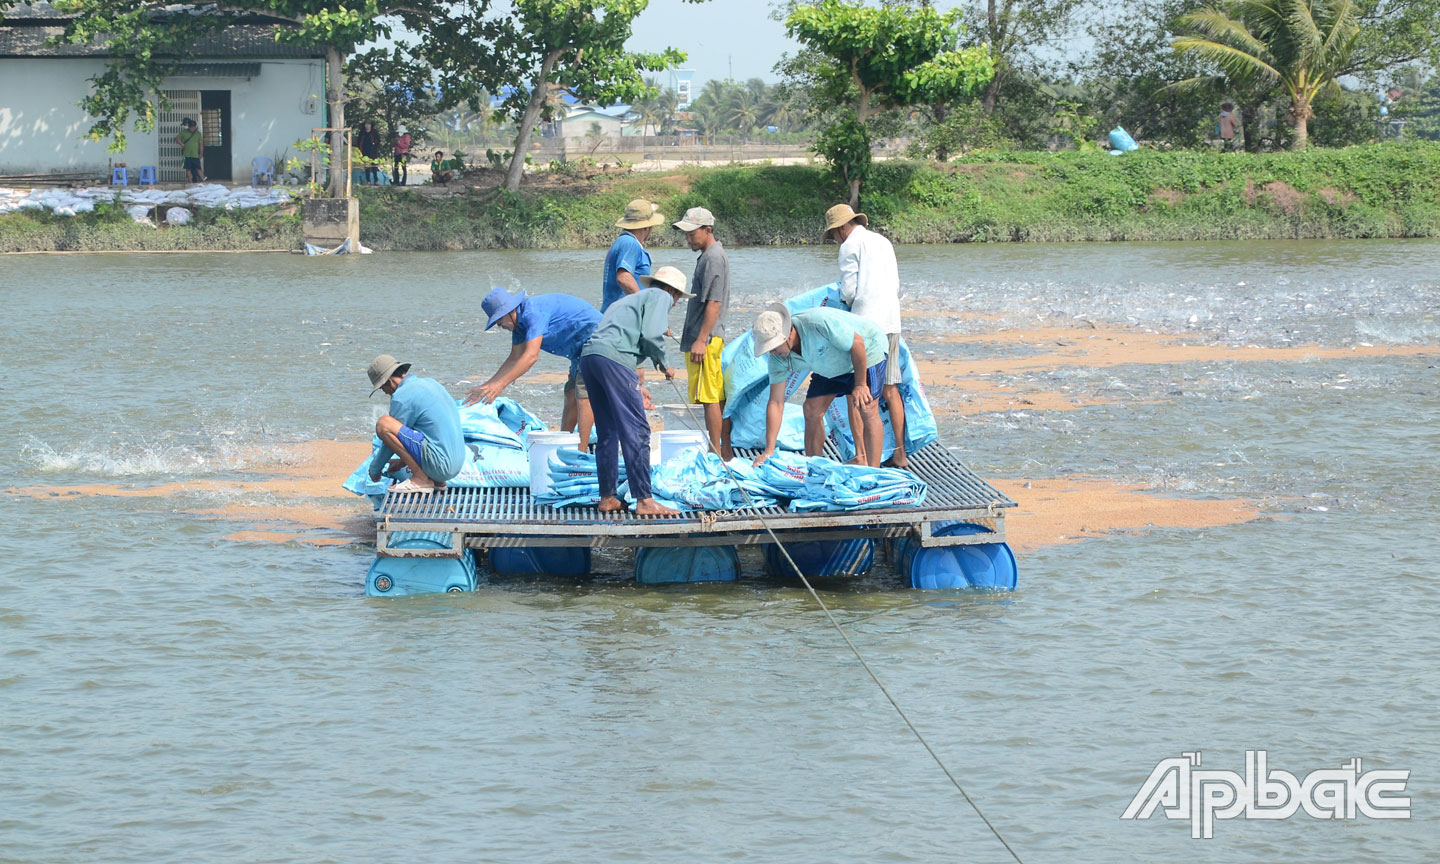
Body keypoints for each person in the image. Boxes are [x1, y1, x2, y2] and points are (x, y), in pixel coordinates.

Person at [579, 265, 694, 516]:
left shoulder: (627, 301)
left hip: (589, 358)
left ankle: (607, 497)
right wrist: (664, 364)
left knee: (607, 431)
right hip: (614, 360)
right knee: (638, 430)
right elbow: (652, 335)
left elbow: (633, 334)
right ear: (672, 292)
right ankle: (644, 500)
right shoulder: (661, 296)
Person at [750, 303, 888, 469]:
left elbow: (857, 343)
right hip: (830, 364)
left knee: (867, 407)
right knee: (811, 410)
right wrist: (769, 450)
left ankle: (874, 471)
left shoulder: (819, 324)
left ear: (787, 335)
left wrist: (860, 384)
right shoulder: (777, 358)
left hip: (867, 349)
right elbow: (776, 403)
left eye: (773, 346)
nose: (771, 353)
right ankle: (814, 468)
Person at [824, 203, 908, 469]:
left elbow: (849, 291)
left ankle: (861, 454)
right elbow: (896, 284)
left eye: (834, 233)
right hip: (892, 320)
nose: (835, 238)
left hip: (866, 327)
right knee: (891, 388)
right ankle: (900, 454)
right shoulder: (883, 241)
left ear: (841, 229)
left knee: (856, 391)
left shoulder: (848, 247)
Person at [466, 288, 602, 451]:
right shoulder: (518, 326)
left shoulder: (533, 313)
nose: (499, 325)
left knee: (583, 395)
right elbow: (515, 358)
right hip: (579, 350)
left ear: (510, 311)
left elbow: (530, 357)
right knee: (570, 393)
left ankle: (580, 452)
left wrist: (500, 386)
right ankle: (562, 446)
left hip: (598, 339)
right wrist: (487, 386)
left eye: (499, 320)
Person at [673, 205, 733, 460]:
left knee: (710, 397)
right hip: (706, 337)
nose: (688, 238)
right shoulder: (708, 256)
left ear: (708, 230)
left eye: (692, 233)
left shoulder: (713, 258)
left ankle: (715, 452)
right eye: (685, 233)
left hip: (706, 339)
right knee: (716, 396)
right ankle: (724, 451)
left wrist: (700, 339)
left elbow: (714, 302)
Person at [365, 354, 466, 494]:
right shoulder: (431, 383)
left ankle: (421, 479)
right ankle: (437, 481)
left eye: (382, 389)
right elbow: (422, 433)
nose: (386, 393)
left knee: (384, 424)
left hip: (441, 466)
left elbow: (389, 439)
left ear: (388, 382)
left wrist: (375, 469)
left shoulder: (402, 396)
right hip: (456, 464)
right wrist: (402, 462)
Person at [601, 199, 661, 312]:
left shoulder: (622, 242)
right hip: (620, 318)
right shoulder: (630, 244)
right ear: (646, 227)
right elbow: (623, 278)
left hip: (614, 314)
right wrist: (644, 307)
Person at [175, 118, 204, 183]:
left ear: (195, 127)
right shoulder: (184, 132)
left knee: (198, 168)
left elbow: (201, 144)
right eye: (191, 127)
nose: (192, 128)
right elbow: (177, 138)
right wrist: (181, 144)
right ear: (188, 127)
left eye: (193, 127)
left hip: (195, 154)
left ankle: (203, 181)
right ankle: (190, 182)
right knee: (188, 169)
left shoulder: (198, 134)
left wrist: (201, 153)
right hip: (187, 154)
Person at [357, 121, 382, 185]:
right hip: (365, 151)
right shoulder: (362, 132)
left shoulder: (374, 132)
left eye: (368, 124)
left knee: (374, 166)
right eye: (366, 124)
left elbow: (378, 141)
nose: (367, 126)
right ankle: (368, 181)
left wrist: (375, 147)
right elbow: (359, 141)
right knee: (367, 166)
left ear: (371, 125)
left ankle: (376, 181)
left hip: (373, 151)